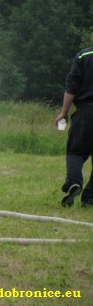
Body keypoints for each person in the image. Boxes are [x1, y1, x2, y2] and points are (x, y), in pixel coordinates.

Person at [55, 29, 93, 208]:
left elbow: (72, 85)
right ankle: (89, 198)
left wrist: (64, 112)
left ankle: (74, 183)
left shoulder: (83, 56)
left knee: (75, 152)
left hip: (86, 112)